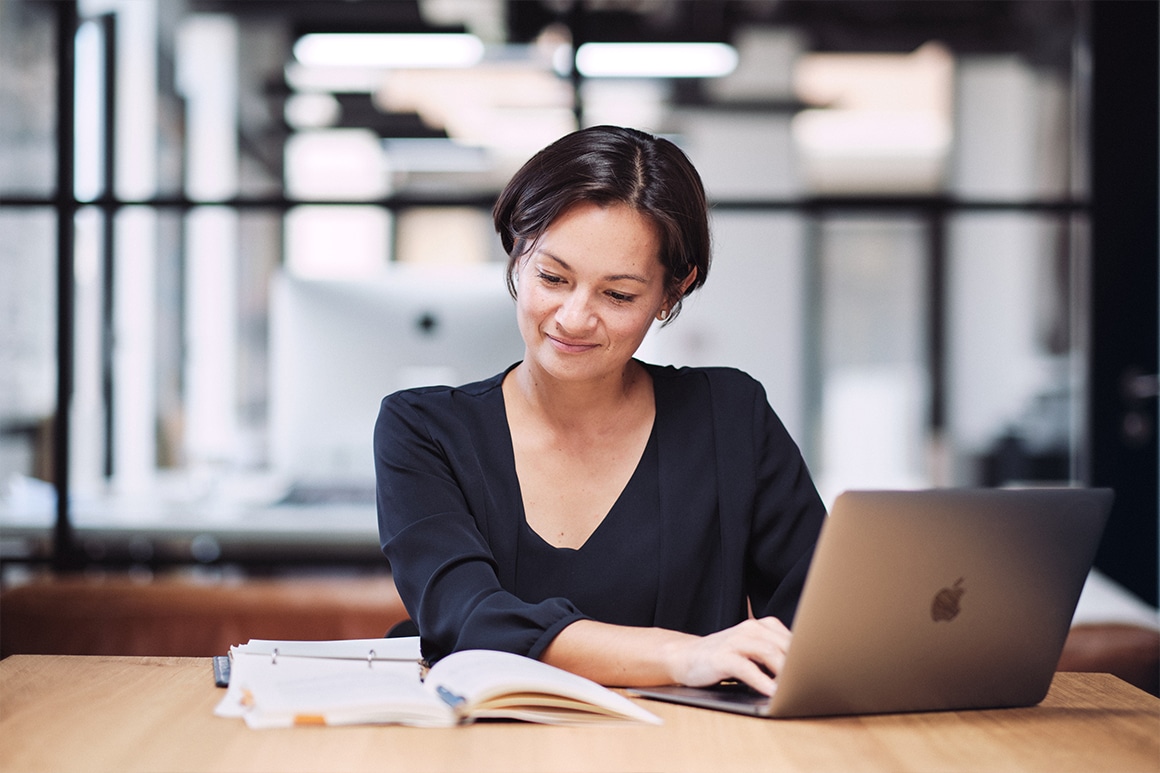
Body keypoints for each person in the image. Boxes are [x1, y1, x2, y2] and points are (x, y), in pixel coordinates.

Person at [375, 125, 826, 696]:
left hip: (688, 751)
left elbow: (815, 620)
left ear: (672, 292)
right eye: (552, 277)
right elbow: (467, 619)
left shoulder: (732, 418)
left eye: (618, 295)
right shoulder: (424, 430)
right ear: (517, 251)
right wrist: (686, 655)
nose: (573, 317)